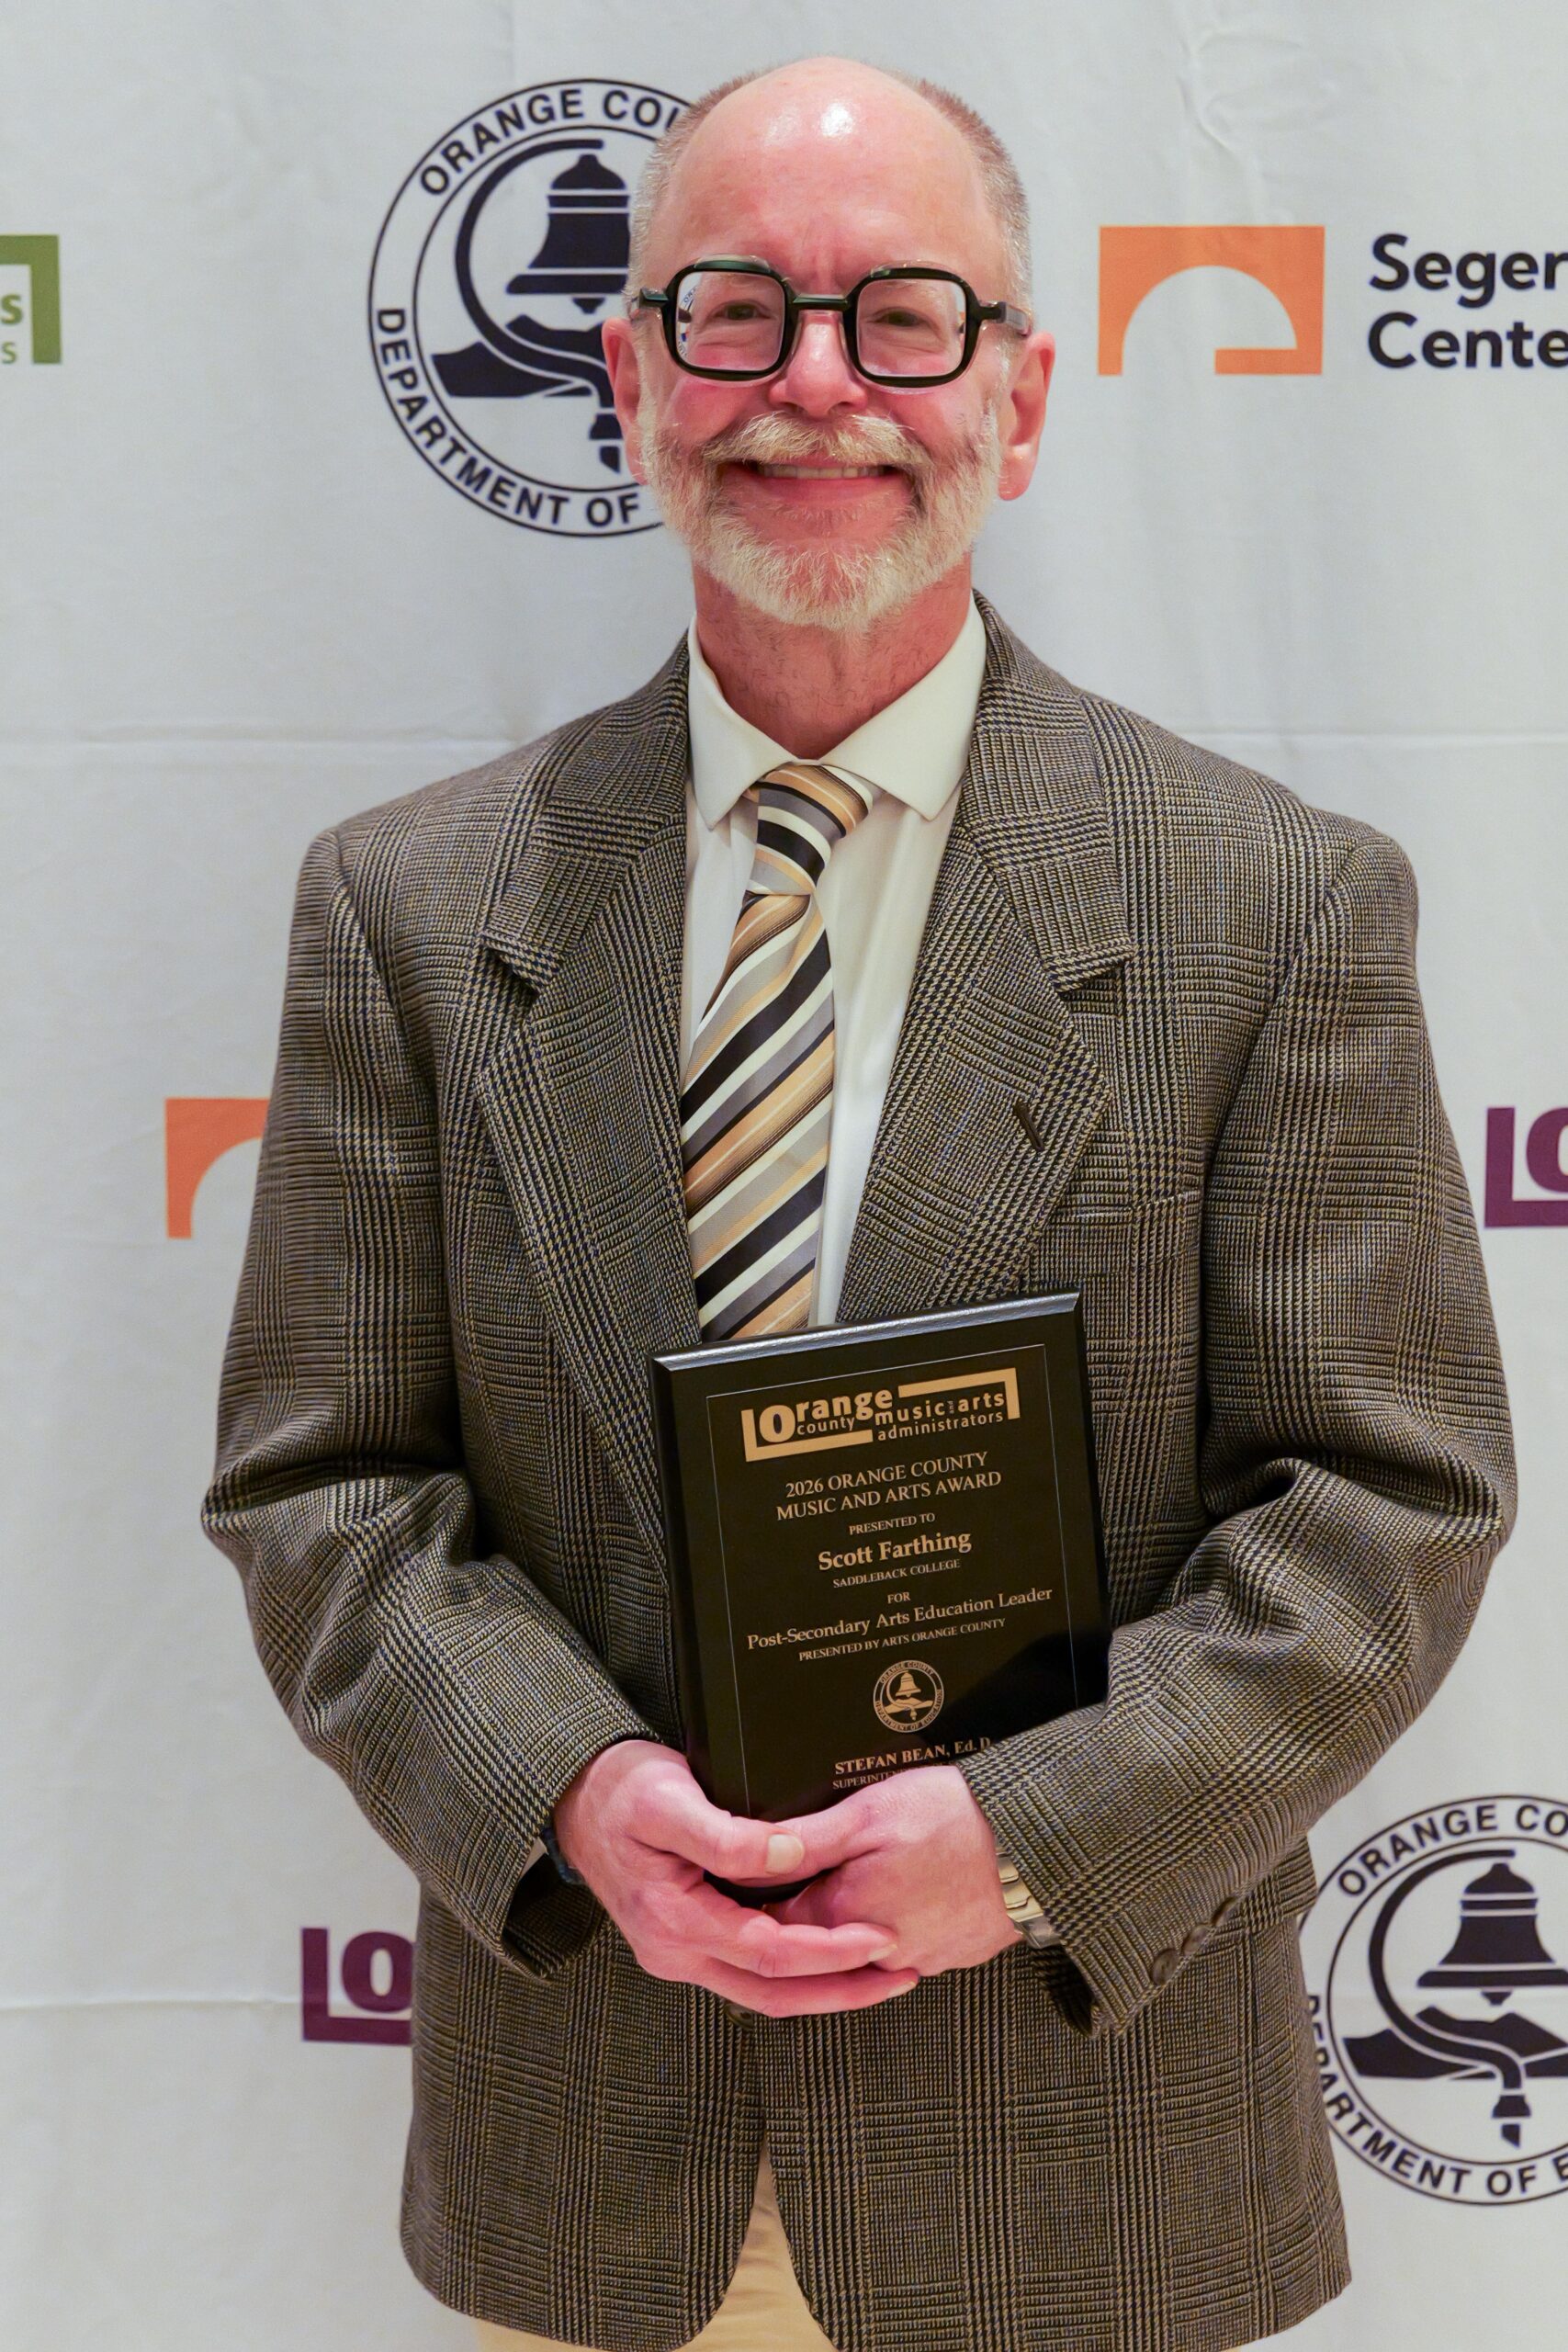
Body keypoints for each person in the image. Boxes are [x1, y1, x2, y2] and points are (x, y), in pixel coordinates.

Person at [201, 54, 1516, 2352]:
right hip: (588, 2167)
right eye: (735, 313)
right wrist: (568, 1788)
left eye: (903, 317)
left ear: (1017, 396)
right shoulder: (406, 911)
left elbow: (1382, 1507)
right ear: (626, 380)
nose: (816, 387)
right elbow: (326, 1483)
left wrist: (1028, 1836)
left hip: (1086, 2173)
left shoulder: (1272, 903)